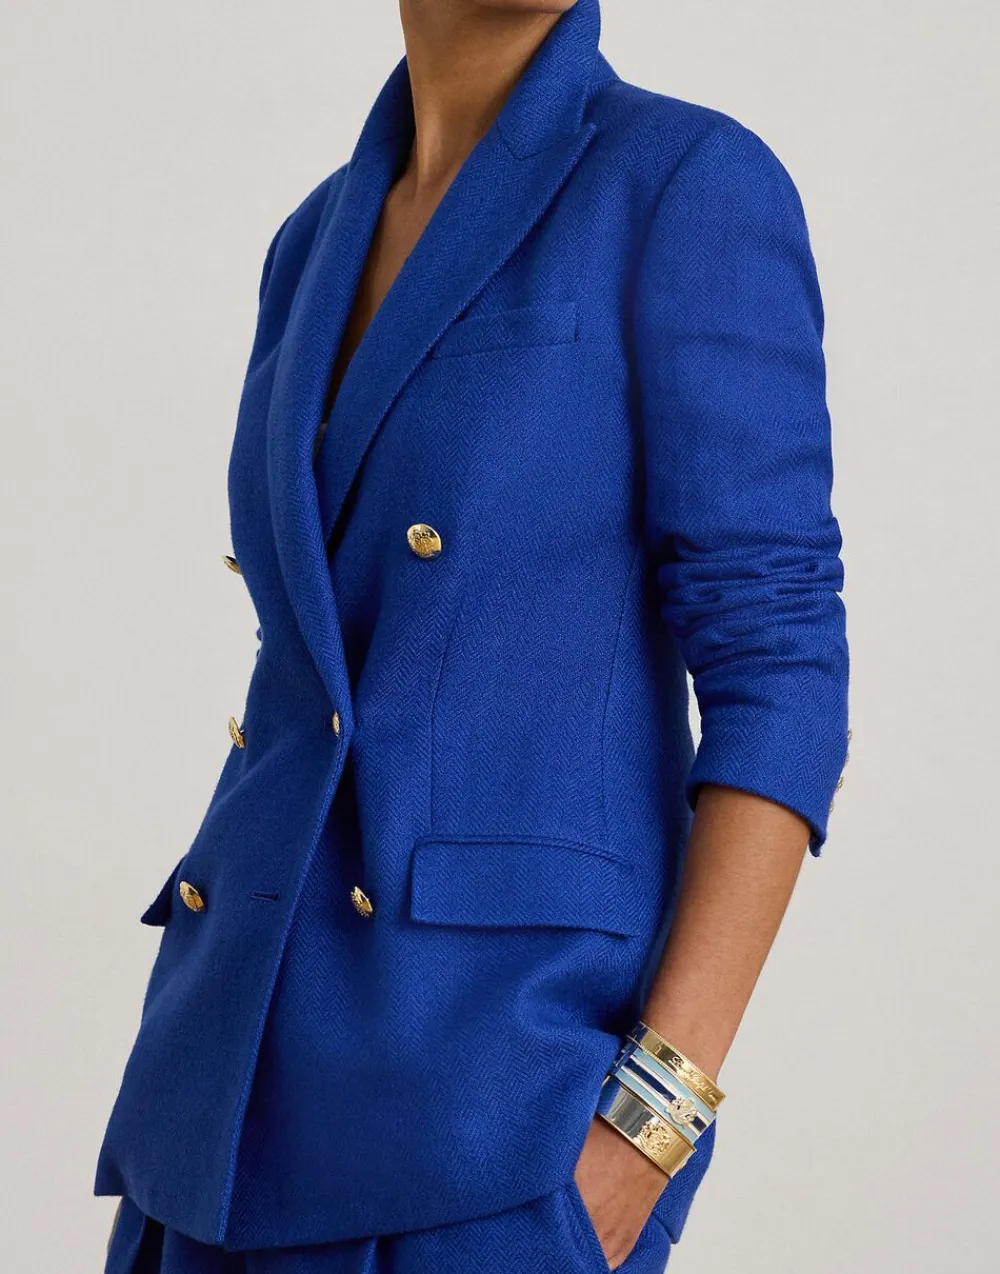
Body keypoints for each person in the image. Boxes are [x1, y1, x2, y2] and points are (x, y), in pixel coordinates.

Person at [97, 1, 850, 1270]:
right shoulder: (311, 241)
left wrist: (652, 1122)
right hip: (218, 1092)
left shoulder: (683, 182)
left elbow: (780, 663)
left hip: (489, 1114)